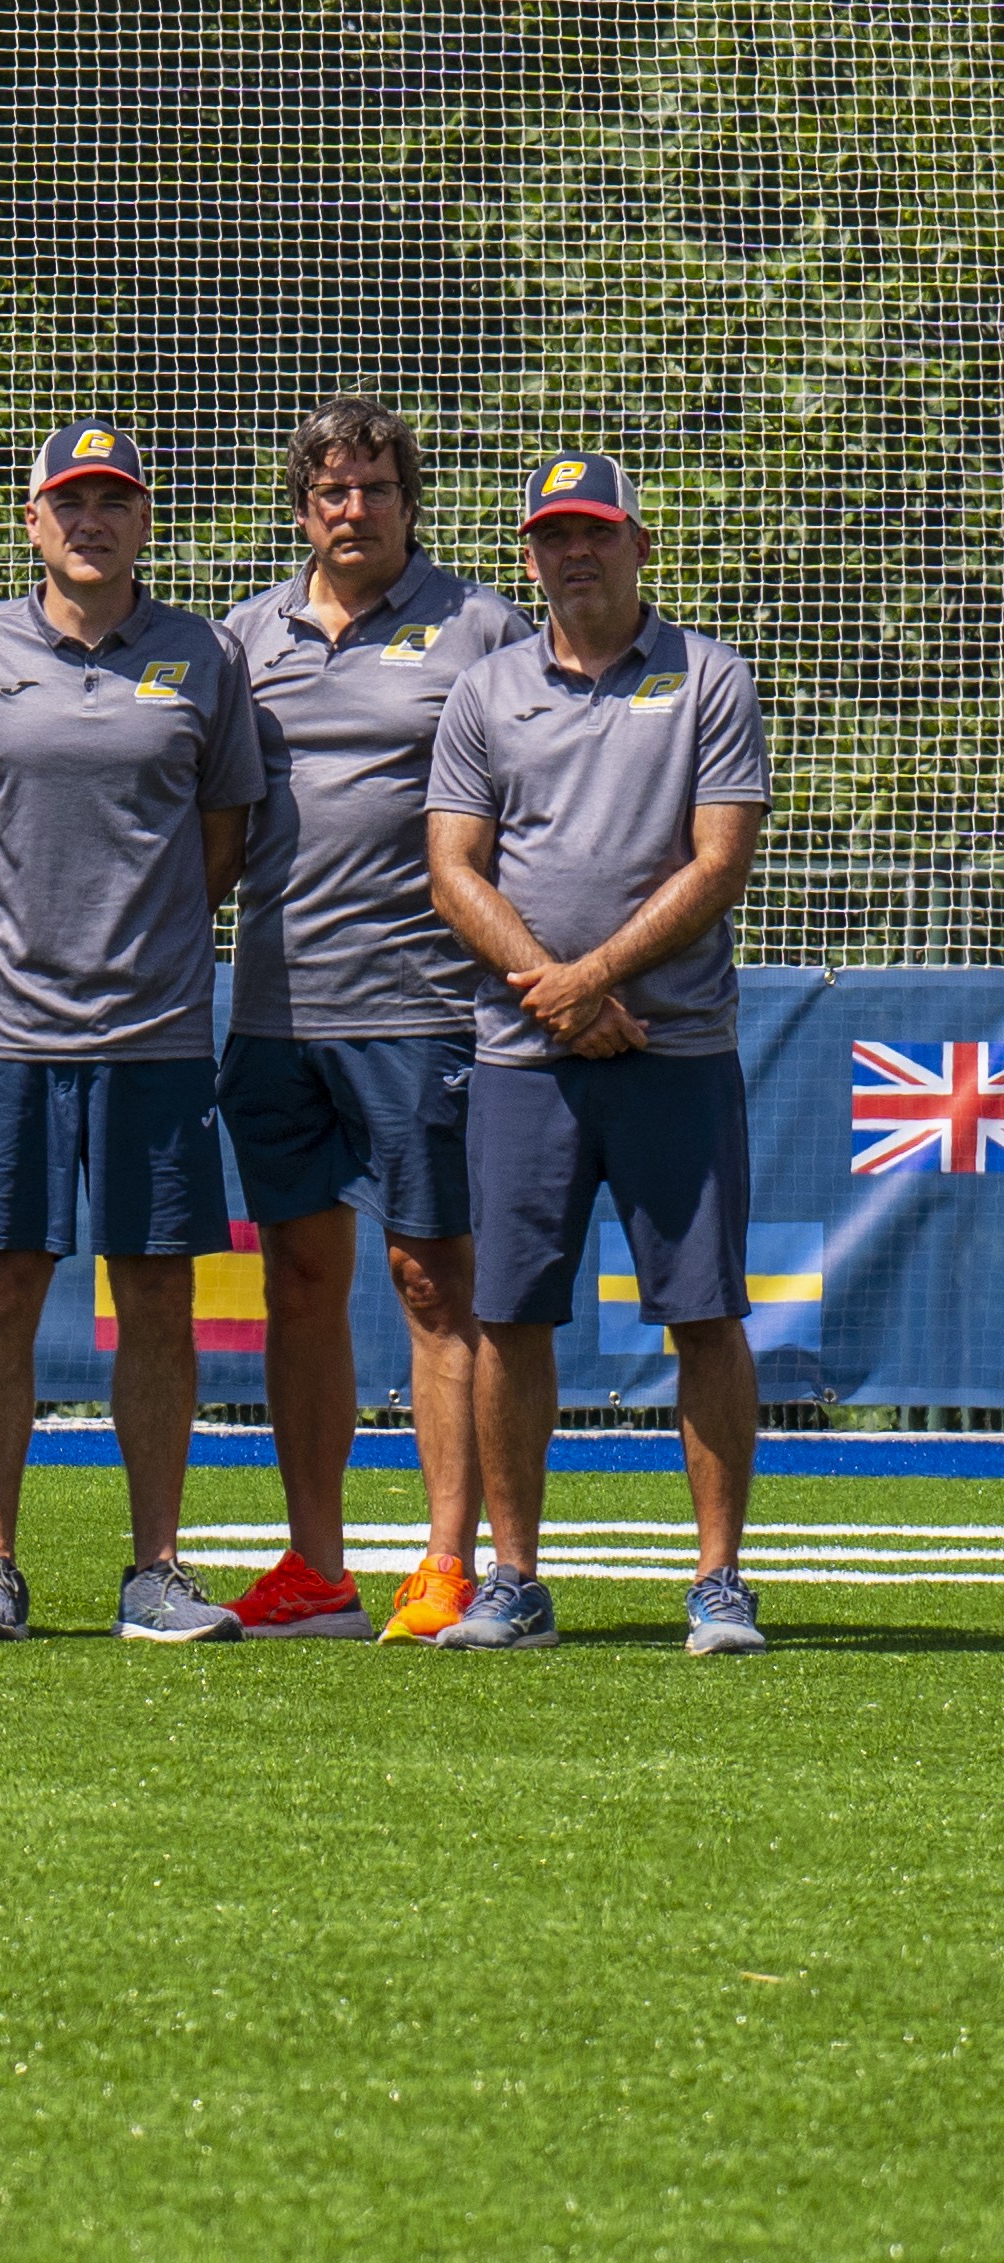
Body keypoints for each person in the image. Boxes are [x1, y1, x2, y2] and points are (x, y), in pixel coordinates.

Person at [0, 425, 271, 1645]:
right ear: (31, 521)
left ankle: (154, 1570)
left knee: (157, 1295)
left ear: (141, 521)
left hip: (158, 1033)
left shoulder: (202, 654)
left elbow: (222, 837)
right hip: (7, 1032)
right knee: (2, 1285)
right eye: (68, 501)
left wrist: (145, 934)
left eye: (114, 500)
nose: (91, 520)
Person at [422, 451, 771, 1657]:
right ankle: (513, 1583)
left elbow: (718, 860)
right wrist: (556, 996)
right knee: (510, 1316)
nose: (573, 554)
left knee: (703, 1313)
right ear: (527, 558)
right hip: (524, 1059)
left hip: (672, 1049)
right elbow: (450, 869)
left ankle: (718, 1582)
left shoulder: (707, 675)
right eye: (550, 537)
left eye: (594, 533)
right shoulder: (484, 690)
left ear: (636, 543)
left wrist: (592, 980)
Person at [218, 398, 529, 1643]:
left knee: (429, 1281)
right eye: (329, 492)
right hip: (272, 1010)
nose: (352, 510)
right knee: (297, 1281)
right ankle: (316, 1569)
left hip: (426, 1009)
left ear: (409, 503)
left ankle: (445, 1563)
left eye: (375, 489)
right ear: (301, 510)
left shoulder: (481, 629)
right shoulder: (241, 637)